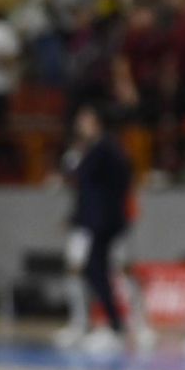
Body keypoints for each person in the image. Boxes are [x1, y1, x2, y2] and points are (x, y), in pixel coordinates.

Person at [56, 106, 154, 356]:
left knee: (116, 268)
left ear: (98, 122)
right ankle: (95, 324)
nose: (80, 125)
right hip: (97, 221)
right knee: (89, 268)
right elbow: (83, 188)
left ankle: (131, 325)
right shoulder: (95, 150)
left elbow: (105, 183)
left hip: (108, 221)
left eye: (85, 120)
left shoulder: (106, 149)